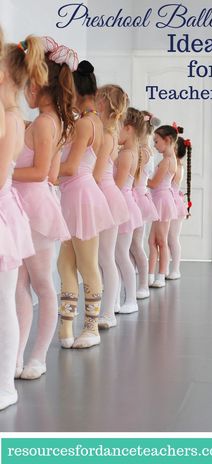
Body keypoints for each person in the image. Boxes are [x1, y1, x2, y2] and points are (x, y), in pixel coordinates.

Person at [13, 36, 76, 379]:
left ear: (38, 85)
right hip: (33, 206)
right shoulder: (54, 122)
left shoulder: (43, 123)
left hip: (32, 209)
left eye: (27, 86)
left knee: (38, 284)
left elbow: (39, 174)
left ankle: (36, 356)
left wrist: (7, 171)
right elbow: (51, 174)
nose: (24, 93)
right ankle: (20, 356)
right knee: (27, 283)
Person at [0, 31, 45, 408]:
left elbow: (0, 176)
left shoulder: (13, 119)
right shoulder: (11, 116)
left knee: (5, 303)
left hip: (2, 213)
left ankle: (5, 386)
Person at [58, 60, 114, 348]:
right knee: (65, 263)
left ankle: (90, 328)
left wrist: (44, 173)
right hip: (75, 196)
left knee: (87, 265)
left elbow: (70, 168)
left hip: (80, 195)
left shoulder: (85, 123)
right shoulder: (91, 121)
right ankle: (66, 330)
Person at [93, 84, 129, 328]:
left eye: (96, 99)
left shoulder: (107, 134)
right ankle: (108, 306)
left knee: (105, 257)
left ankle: (107, 312)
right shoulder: (108, 131)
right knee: (102, 258)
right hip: (106, 195)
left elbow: (96, 174)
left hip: (105, 195)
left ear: (103, 103)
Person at [115, 107, 144, 314]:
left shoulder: (126, 154)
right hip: (125, 203)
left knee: (121, 254)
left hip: (122, 205)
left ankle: (130, 298)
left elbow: (117, 184)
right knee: (117, 255)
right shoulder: (130, 152)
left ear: (128, 128)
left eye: (118, 128)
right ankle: (117, 298)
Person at [131, 111, 160, 298]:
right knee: (131, 246)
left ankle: (142, 284)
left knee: (135, 245)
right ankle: (135, 282)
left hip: (137, 199)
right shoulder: (142, 150)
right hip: (136, 197)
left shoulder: (142, 151)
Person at [147, 124, 179, 288]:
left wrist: (139, 175)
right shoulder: (168, 159)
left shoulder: (167, 161)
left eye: (156, 141)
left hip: (162, 201)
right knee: (152, 240)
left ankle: (160, 275)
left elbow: (153, 184)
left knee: (161, 240)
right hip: (159, 200)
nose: (154, 144)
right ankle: (150, 275)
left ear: (167, 140)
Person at [167, 136, 192, 279]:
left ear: (175, 149)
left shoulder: (176, 166)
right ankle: (168, 268)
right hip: (171, 201)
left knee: (172, 238)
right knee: (167, 238)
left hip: (175, 203)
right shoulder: (173, 164)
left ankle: (176, 269)